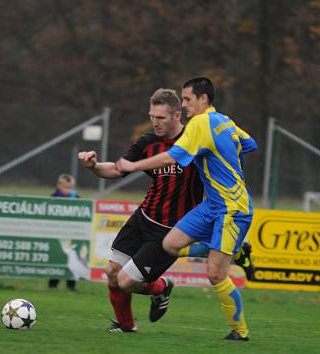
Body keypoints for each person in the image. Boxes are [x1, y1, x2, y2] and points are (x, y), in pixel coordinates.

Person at [116, 77, 257, 341]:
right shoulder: (224, 121)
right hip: (210, 205)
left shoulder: (201, 123)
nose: (184, 104)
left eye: (188, 99)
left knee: (215, 274)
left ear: (204, 99)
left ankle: (240, 332)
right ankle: (235, 252)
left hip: (232, 207)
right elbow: (249, 144)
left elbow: (172, 156)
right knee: (171, 243)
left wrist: (133, 166)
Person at [78, 88, 205, 333]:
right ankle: (126, 326)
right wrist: (93, 166)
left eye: (161, 117)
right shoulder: (148, 142)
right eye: (152, 116)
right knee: (112, 273)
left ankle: (160, 287)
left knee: (126, 282)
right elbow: (117, 169)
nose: (155, 122)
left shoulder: (196, 141)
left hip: (170, 232)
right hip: (143, 218)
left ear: (177, 114)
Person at [49, 173, 80, 291]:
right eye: (66, 187)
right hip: (57, 234)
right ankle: (53, 284)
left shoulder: (77, 198)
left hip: (72, 235)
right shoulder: (53, 198)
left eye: (70, 187)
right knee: (57, 257)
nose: (68, 190)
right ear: (59, 186)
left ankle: (71, 285)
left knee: (72, 258)